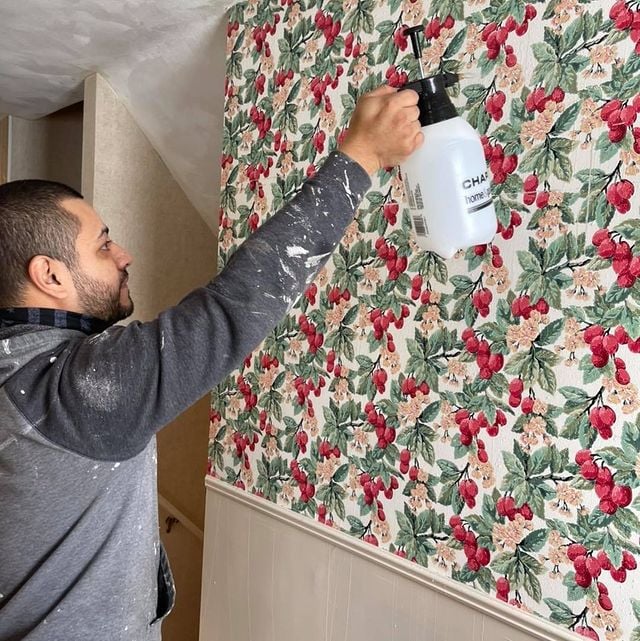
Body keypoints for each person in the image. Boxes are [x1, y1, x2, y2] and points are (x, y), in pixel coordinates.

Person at [0, 84, 423, 640]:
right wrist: (363, 155)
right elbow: (233, 307)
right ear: (49, 275)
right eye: (103, 244)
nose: (123, 254)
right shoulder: (72, 391)